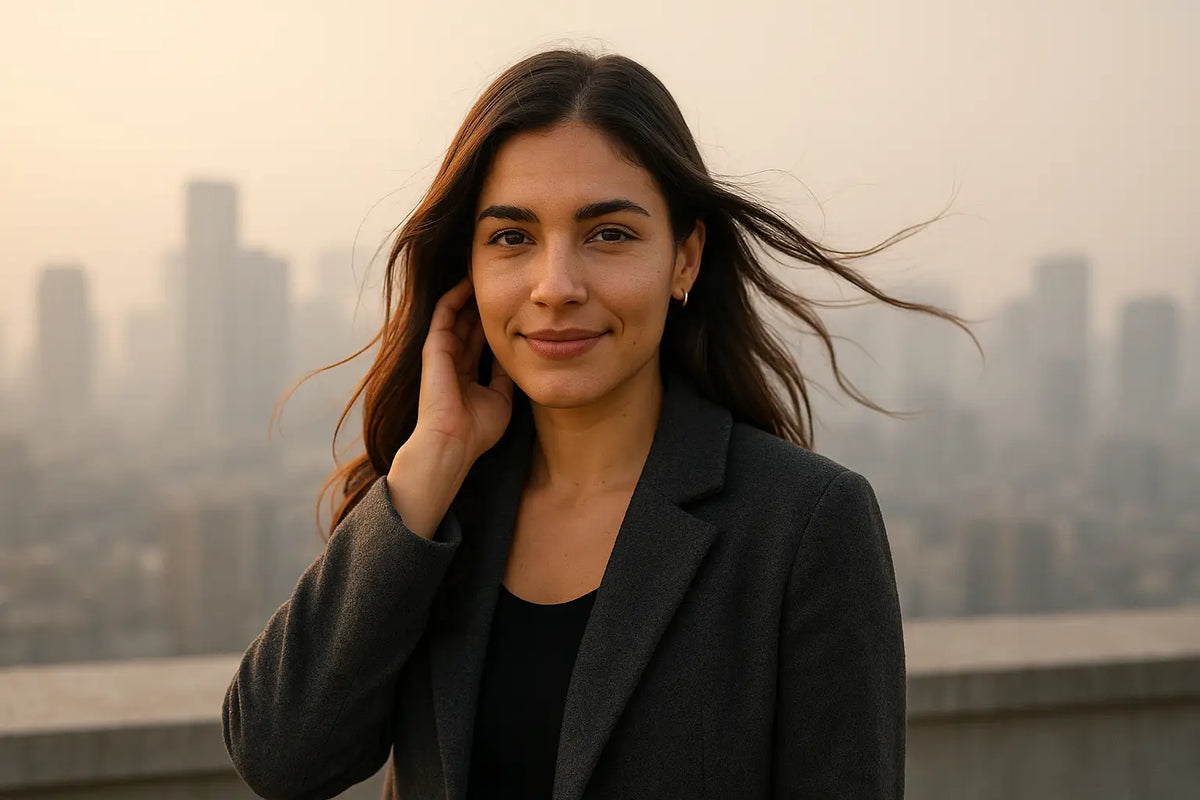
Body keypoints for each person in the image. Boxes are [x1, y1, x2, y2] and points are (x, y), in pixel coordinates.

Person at [222, 46, 975, 800]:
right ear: (471, 271)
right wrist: (431, 461)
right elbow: (282, 757)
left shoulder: (804, 525)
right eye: (511, 238)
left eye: (609, 234)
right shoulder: (440, 514)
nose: (556, 286)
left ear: (685, 260)